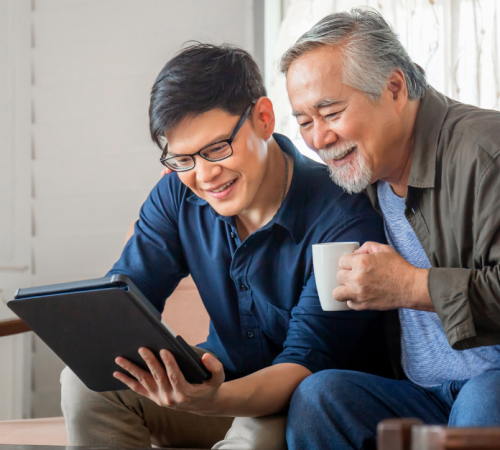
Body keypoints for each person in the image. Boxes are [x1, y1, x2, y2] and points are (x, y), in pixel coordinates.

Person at [60, 43, 390, 450]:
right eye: (182, 159)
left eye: (217, 148)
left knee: (253, 437)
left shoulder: (343, 218)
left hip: (297, 401)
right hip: (216, 383)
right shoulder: (177, 196)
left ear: (263, 119)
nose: (204, 175)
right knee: (85, 382)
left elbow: (305, 364)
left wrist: (211, 399)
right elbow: (127, 299)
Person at [280, 8, 500, 450]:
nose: (319, 138)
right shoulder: (362, 172)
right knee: (318, 398)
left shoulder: (485, 152)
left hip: (491, 386)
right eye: (305, 121)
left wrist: (409, 286)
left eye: (331, 112)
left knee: (482, 403)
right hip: (419, 394)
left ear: (394, 88)